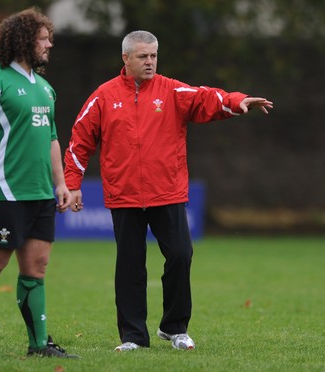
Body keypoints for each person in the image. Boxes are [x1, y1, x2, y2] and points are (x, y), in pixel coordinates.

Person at [63, 30, 273, 352]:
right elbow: (80, 140)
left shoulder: (172, 90)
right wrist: (73, 184)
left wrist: (235, 101)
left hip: (168, 193)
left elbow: (207, 98)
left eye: (154, 56)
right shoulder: (104, 96)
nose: (150, 62)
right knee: (130, 266)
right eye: (143, 57)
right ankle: (133, 337)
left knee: (180, 255)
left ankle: (174, 328)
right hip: (125, 196)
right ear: (126, 58)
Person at [0, 7, 78, 359]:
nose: (49, 45)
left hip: (41, 194)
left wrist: (61, 183)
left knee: (36, 269)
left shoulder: (45, 88)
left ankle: (39, 345)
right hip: (4, 193)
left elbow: (53, 139)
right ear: (24, 40)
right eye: (43, 38)